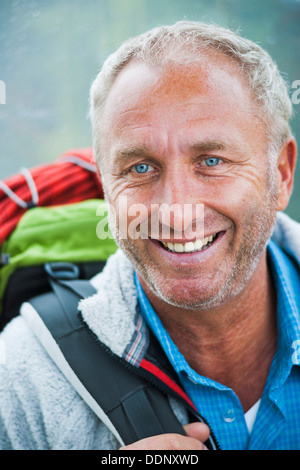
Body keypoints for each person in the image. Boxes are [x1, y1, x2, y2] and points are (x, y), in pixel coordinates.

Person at [0, 20, 299, 450]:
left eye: (212, 161)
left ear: (281, 174)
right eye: (140, 168)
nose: (176, 212)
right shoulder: (22, 377)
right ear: (106, 186)